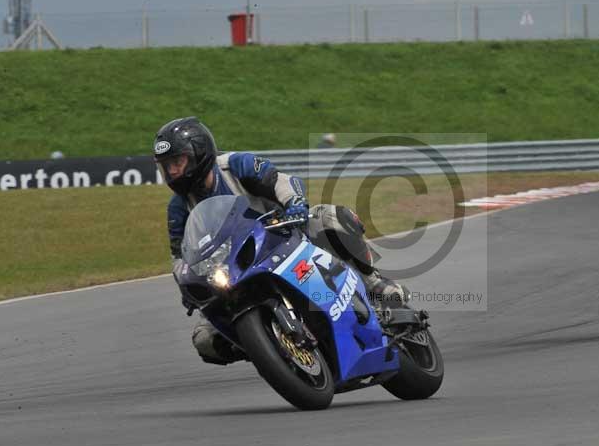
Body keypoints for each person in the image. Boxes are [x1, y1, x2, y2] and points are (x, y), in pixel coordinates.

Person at [153, 117, 409, 365]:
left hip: (284, 239)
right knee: (204, 340)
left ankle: (374, 283)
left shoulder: (235, 165)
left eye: (178, 162)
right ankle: (267, 343)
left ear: (199, 154)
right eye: (167, 166)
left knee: (328, 217)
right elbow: (180, 257)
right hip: (233, 270)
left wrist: (294, 203)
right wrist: (186, 286)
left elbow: (281, 181)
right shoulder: (178, 208)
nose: (173, 171)